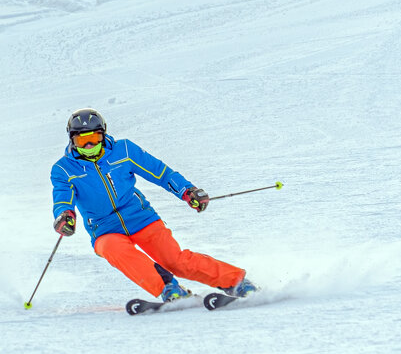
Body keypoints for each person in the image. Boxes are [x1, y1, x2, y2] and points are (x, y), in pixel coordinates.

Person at [51, 108, 256, 302]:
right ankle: (169, 289)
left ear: (103, 135)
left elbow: (160, 172)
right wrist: (65, 216)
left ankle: (236, 281)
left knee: (175, 261)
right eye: (82, 140)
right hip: (104, 228)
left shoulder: (124, 150)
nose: (89, 145)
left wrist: (187, 191)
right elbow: (62, 197)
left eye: (94, 138)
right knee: (114, 250)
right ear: (72, 140)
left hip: (140, 218)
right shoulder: (63, 169)